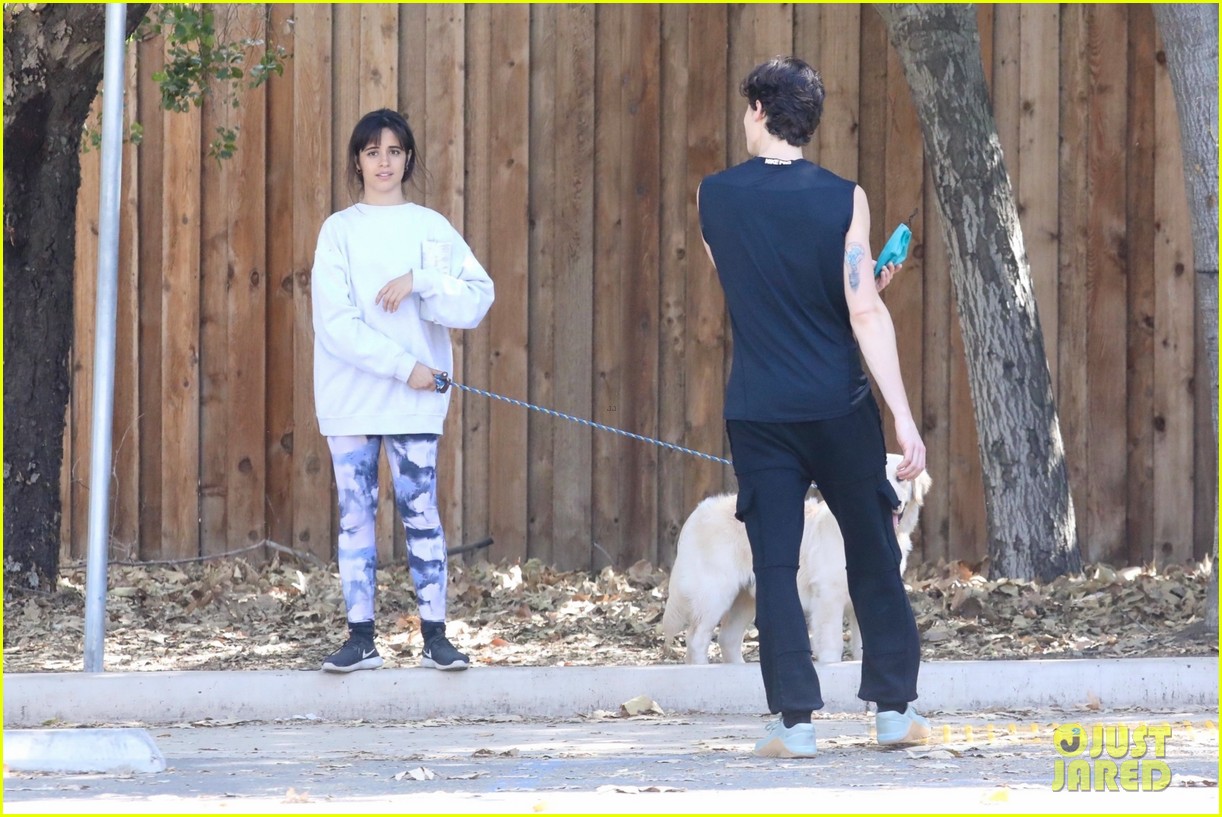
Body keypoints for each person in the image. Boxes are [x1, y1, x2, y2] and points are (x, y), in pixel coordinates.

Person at [697, 57, 930, 757]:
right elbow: (858, 309)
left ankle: (793, 724)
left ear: (762, 111)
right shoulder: (844, 199)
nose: (745, 120)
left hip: (759, 408)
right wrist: (903, 415)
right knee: (873, 548)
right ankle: (892, 713)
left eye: (748, 110)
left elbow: (748, 287)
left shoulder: (714, 196)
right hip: (838, 404)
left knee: (774, 561)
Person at [311, 108, 494, 673]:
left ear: (408, 158)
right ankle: (361, 637)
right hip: (351, 400)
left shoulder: (430, 227)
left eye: (394, 151)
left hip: (416, 403)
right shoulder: (338, 230)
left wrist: (422, 281)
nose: (384, 162)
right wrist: (402, 366)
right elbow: (335, 325)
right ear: (357, 161)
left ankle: (435, 635)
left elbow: (475, 299)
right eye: (372, 152)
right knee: (355, 515)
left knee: (420, 511)